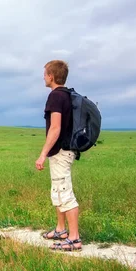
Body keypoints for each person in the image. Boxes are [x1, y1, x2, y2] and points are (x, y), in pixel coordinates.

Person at [35, 60, 82, 251]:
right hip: (64, 150)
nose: (43, 77)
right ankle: (61, 230)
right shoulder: (66, 95)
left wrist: (42, 154)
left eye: (45, 74)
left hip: (61, 151)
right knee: (57, 190)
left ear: (51, 76)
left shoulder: (55, 96)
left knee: (65, 192)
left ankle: (74, 238)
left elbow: (55, 128)